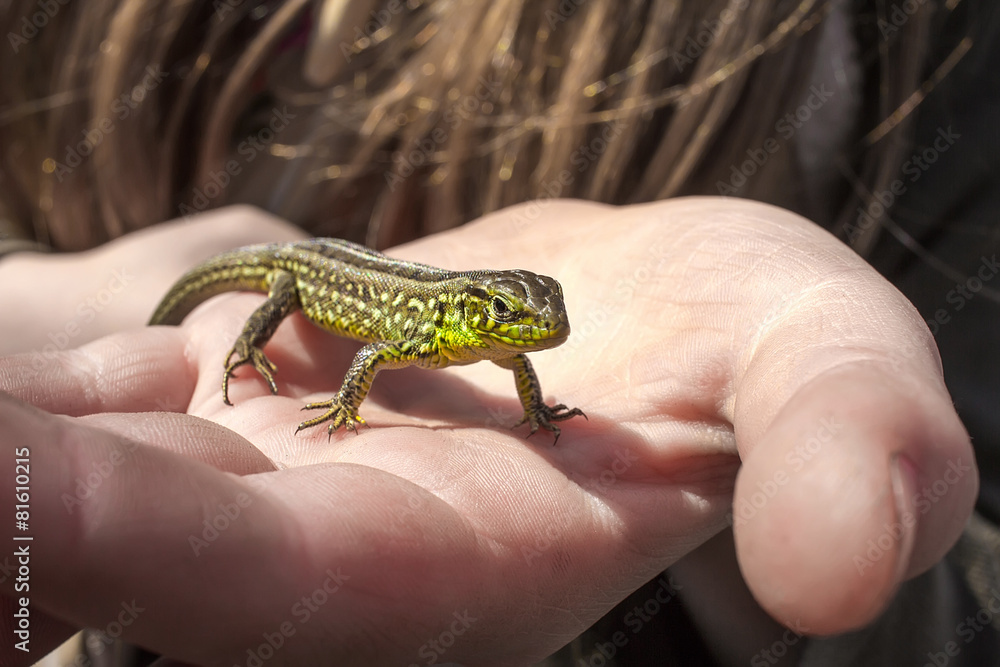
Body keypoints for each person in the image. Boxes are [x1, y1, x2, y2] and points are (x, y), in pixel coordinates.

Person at [0, 1, 996, 665]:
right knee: (263, 313)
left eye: (535, 318)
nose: (532, 333)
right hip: (311, 271)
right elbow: (376, 354)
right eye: (517, 317)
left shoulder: (493, 340)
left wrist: (719, 504)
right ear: (481, 312)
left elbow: (520, 363)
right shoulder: (419, 325)